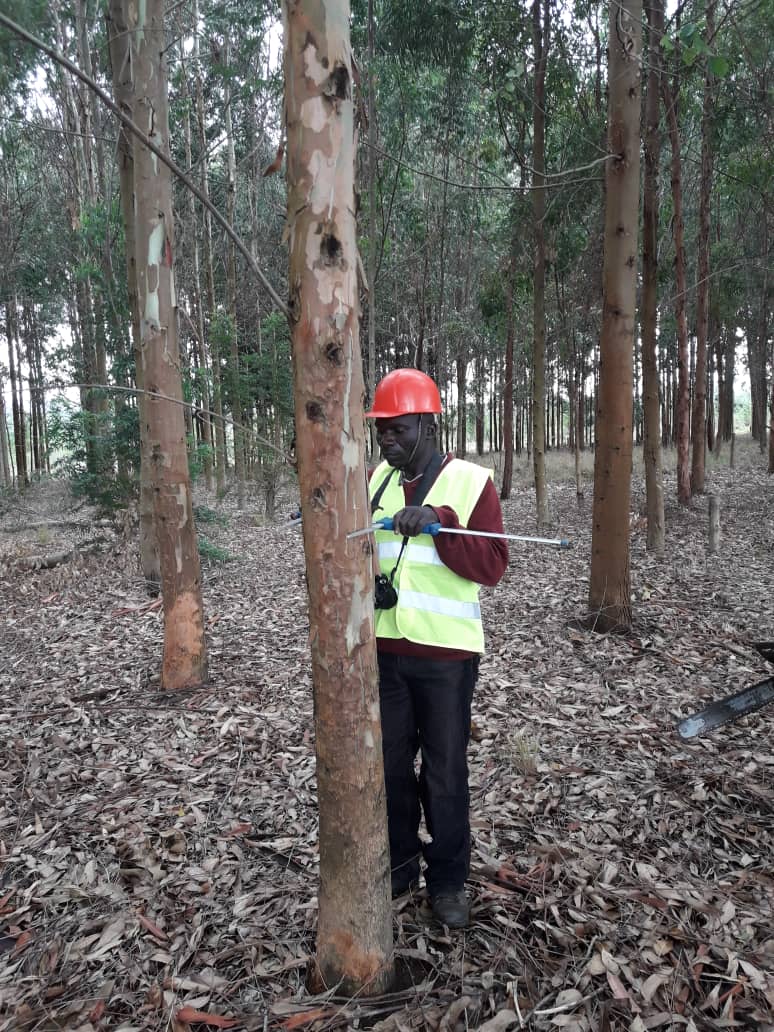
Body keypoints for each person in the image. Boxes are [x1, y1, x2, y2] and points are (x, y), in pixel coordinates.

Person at [365, 368, 508, 929]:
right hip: (385, 652)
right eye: (381, 432)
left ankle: (448, 880)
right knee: (390, 766)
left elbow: (493, 565)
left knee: (444, 771)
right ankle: (400, 863)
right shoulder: (377, 479)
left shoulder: (471, 482)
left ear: (426, 423)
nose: (387, 441)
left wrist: (441, 525)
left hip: (446, 659)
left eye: (396, 430)